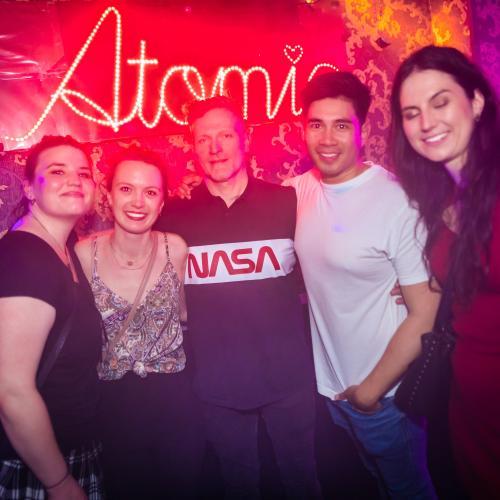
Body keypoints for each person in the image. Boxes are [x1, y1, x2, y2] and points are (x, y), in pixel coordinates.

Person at [155, 96, 322, 499]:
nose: (215, 148)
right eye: (203, 139)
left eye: (225, 136)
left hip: (289, 380)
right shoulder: (174, 217)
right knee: (239, 487)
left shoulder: (287, 202)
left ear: (244, 140)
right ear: (193, 148)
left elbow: (333, 256)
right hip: (216, 387)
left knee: (302, 484)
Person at [284, 72, 440, 499]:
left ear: (362, 130)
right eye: (316, 125)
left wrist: (369, 394)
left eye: (341, 125)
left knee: (410, 490)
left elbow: (426, 312)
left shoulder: (397, 201)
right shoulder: (298, 192)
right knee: (379, 485)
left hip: (386, 394)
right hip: (335, 390)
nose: (327, 139)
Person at [390, 45, 500, 499]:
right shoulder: (445, 200)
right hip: (466, 412)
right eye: (411, 113)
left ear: (476, 101)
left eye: (440, 103)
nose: (426, 123)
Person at [75, 147, 205, 499]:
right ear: (108, 195)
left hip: (176, 401)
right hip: (114, 404)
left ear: (161, 203)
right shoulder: (84, 254)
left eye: (150, 192)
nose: (137, 202)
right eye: (126, 189)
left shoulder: (175, 248)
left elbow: (185, 315)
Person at [0, 135, 104, 499]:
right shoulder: (25, 257)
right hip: (36, 465)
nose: (74, 180)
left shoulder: (63, 250)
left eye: (83, 173)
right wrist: (59, 482)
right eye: (58, 171)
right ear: (30, 188)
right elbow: (11, 389)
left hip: (65, 451)